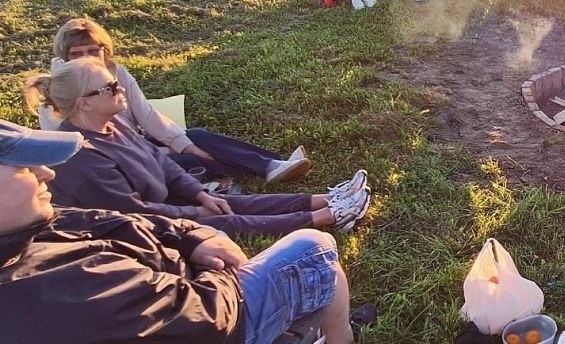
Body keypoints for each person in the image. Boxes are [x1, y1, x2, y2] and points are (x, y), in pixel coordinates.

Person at [0, 119, 373, 344]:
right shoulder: (56, 290)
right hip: (211, 314)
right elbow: (205, 316)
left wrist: (188, 234)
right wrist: (213, 265)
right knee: (314, 250)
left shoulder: (26, 228)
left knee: (222, 211)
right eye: (22, 168)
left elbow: (104, 218)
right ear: (81, 102)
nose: (47, 173)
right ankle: (338, 333)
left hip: (177, 246)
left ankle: (325, 203)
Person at [28, 58, 372, 237]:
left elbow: (161, 164)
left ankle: (329, 198)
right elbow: (137, 217)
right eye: (110, 88)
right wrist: (194, 214)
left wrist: (199, 195)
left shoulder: (113, 122)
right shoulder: (83, 159)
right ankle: (327, 217)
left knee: (229, 202)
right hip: (137, 229)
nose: (121, 90)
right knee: (228, 222)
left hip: (163, 202)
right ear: (83, 105)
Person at [39, 17, 311, 184]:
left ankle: (273, 164)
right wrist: (164, 152)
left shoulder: (116, 72)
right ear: (65, 57)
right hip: (117, 156)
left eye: (93, 50)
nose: (87, 57)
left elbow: (146, 115)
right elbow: (67, 147)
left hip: (139, 138)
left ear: (104, 50)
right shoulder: (60, 88)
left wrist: (184, 144)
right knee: (181, 164)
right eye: (77, 53)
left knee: (196, 137)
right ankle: (246, 170)